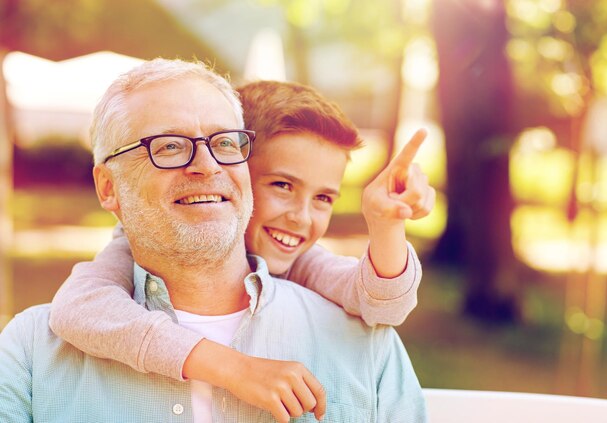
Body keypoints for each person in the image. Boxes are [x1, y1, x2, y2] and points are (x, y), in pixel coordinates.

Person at [0, 58, 427, 422]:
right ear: (108, 187)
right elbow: (78, 305)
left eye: (224, 142)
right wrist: (229, 367)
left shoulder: (361, 339)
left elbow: (382, 296)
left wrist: (387, 225)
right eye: (168, 146)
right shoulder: (34, 351)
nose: (206, 165)